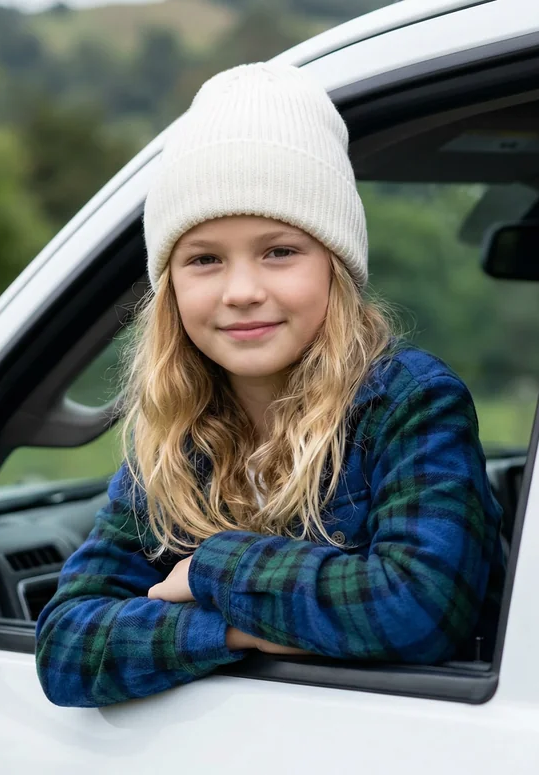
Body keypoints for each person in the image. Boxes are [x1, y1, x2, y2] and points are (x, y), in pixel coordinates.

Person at [35, 62, 505, 708]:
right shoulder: (173, 439)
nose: (243, 291)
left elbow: (417, 612)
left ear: (335, 268)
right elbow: (65, 650)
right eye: (204, 259)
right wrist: (236, 627)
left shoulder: (408, 401)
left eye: (279, 250)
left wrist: (210, 568)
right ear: (169, 286)